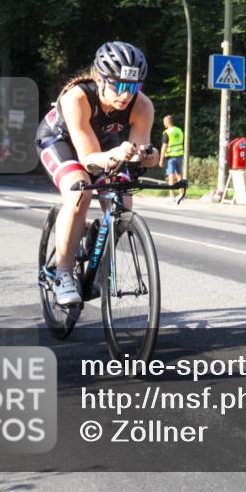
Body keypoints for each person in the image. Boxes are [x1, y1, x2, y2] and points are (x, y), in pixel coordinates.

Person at [34, 41, 159, 305]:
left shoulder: (143, 106)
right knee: (79, 192)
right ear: (98, 79)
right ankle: (63, 274)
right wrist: (116, 156)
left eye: (133, 87)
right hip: (60, 141)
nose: (126, 95)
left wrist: (147, 157)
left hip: (104, 143)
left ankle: (98, 250)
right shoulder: (76, 97)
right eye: (118, 86)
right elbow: (89, 161)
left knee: (123, 201)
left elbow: (137, 153)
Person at [159, 114, 185, 203]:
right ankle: (182, 194)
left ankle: (172, 196)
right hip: (180, 155)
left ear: (167, 122)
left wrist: (161, 159)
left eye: (164, 122)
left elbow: (164, 147)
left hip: (171, 157)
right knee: (179, 175)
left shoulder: (167, 132)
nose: (163, 124)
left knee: (171, 175)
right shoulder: (179, 130)